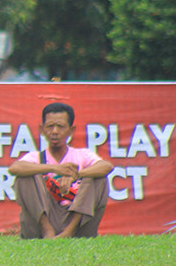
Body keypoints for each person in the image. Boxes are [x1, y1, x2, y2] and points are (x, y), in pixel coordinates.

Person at [7, 102, 113, 239]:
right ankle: (47, 230)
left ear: (72, 130)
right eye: (50, 126)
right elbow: (14, 168)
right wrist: (54, 168)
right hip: (42, 223)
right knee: (24, 176)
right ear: (42, 129)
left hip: (78, 223)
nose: (55, 131)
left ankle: (69, 232)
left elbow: (107, 166)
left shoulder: (82, 154)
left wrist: (77, 175)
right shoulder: (35, 157)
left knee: (98, 178)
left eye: (61, 127)